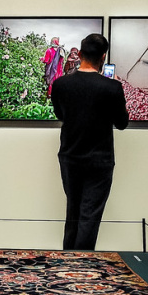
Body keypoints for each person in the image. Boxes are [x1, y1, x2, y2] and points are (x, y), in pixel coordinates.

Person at [50, 33, 129, 251]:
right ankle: (82, 267)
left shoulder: (61, 85)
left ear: (81, 54)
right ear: (103, 57)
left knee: (73, 210)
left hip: (70, 156)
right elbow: (122, 123)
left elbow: (60, 114)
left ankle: (68, 261)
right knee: (90, 215)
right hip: (100, 159)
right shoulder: (112, 88)